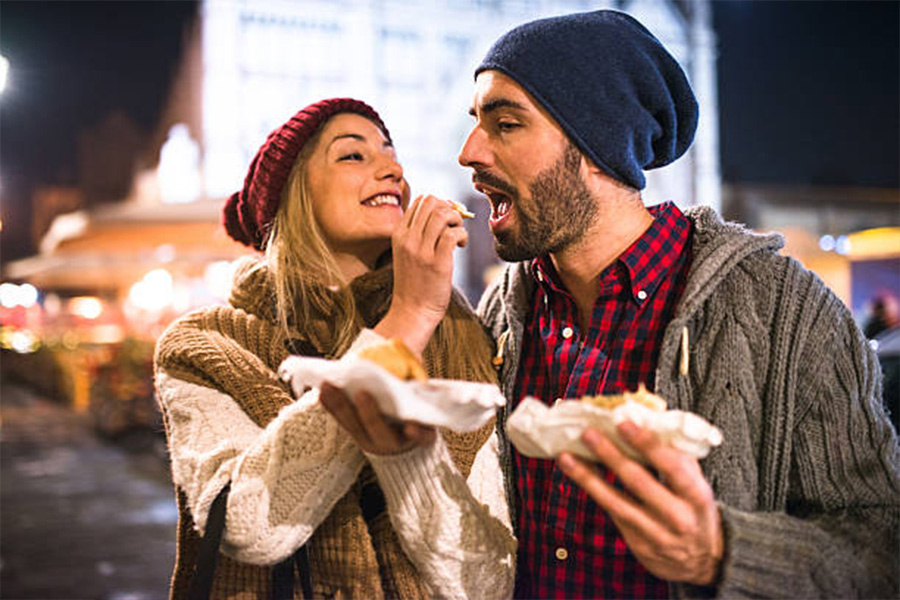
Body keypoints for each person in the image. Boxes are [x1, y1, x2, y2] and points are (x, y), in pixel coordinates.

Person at [456, 10, 900, 599]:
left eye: (505, 123)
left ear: (597, 145)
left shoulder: (784, 311)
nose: (468, 153)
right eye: (476, 123)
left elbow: (882, 548)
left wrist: (722, 553)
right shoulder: (502, 313)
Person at [153, 98, 515, 599]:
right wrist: (407, 319)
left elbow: (486, 581)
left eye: (390, 153)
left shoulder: (457, 333)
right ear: (292, 195)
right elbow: (246, 527)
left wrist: (409, 458)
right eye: (353, 156)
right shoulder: (208, 343)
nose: (393, 169)